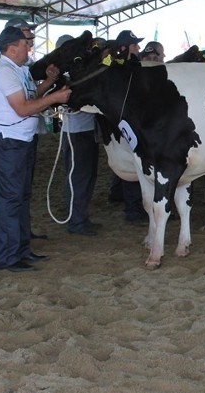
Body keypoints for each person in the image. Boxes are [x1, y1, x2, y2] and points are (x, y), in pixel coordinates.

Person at [0, 25, 71, 272]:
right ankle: (8, 256)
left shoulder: (17, 70)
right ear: (12, 48)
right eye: (26, 44)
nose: (30, 48)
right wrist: (55, 98)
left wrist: (51, 83)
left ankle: (21, 250)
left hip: (19, 141)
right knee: (10, 199)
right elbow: (23, 108)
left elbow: (32, 97)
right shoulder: (4, 73)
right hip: (8, 143)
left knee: (20, 197)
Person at [55, 34, 100, 237]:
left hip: (87, 130)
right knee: (78, 176)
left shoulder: (76, 72)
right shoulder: (62, 77)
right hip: (75, 132)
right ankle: (76, 221)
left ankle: (81, 218)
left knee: (88, 175)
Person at [106, 30, 147, 222]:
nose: (138, 48)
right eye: (134, 45)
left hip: (134, 119)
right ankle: (133, 209)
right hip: (121, 122)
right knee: (130, 159)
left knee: (136, 159)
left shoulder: (134, 65)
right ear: (124, 48)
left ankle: (136, 206)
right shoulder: (116, 68)